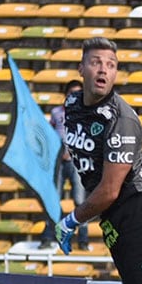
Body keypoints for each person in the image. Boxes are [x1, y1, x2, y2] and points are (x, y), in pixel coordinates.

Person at [55, 37, 142, 284]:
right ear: (81, 68)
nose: (103, 69)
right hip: (111, 219)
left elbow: (110, 190)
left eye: (111, 65)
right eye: (96, 62)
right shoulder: (72, 104)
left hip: (138, 217)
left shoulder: (120, 119)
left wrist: (71, 220)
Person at [39, 80, 89, 251]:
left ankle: (83, 239)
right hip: (58, 163)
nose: (73, 96)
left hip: (77, 163)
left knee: (80, 201)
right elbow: (48, 134)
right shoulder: (56, 112)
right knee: (54, 199)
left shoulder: (86, 113)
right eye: (71, 93)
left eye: (77, 93)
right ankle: (48, 235)